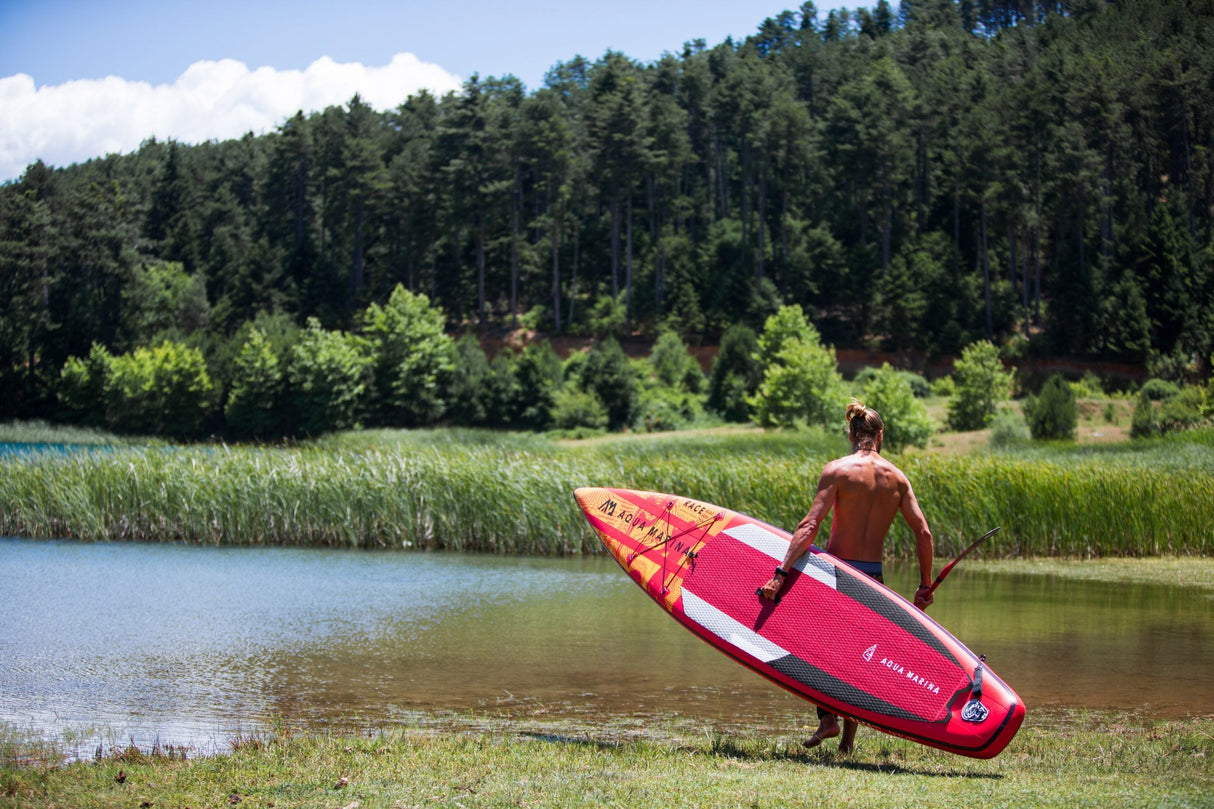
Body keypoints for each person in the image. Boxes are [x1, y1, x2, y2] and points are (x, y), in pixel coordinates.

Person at [758, 399, 935, 753]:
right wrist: (925, 585)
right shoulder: (898, 479)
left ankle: (828, 719)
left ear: (851, 433)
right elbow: (924, 534)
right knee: (859, 658)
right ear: (880, 435)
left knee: (815, 649)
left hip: (838, 575)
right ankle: (847, 743)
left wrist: (781, 573)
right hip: (873, 580)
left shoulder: (838, 471)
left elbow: (811, 524)